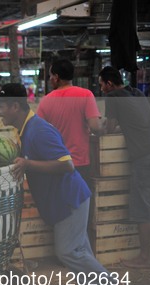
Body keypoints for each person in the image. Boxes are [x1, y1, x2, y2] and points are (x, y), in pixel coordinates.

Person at [0, 83, 126, 285]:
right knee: (80, 250)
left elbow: (67, 165)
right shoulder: (26, 130)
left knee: (68, 251)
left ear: (15, 106)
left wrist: (28, 164)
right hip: (64, 200)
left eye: (1, 106)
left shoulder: (39, 130)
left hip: (69, 199)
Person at [98, 66, 150, 268]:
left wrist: (96, 129)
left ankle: (144, 257)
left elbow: (109, 127)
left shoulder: (113, 96)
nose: (101, 90)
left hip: (145, 156)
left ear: (109, 83)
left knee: (143, 205)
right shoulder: (137, 91)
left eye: (101, 85)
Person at [37, 58, 103, 189]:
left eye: (50, 76)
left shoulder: (46, 101)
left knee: (60, 205)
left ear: (56, 77)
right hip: (81, 163)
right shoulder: (86, 95)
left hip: (56, 163)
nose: (50, 79)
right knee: (81, 204)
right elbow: (95, 127)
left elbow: (39, 133)